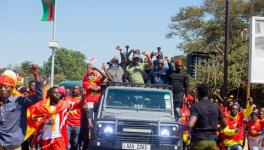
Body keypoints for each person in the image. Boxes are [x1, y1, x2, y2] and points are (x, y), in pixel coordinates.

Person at [0, 65, 43, 150]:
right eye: (0, 87)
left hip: (14, 146)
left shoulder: (20, 101)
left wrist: (36, 74)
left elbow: (39, 96)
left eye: (6, 87)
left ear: (12, 88)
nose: (2, 89)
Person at [184, 84, 226, 150]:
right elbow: (225, 124)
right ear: (207, 94)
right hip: (212, 142)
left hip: (198, 141)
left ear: (198, 94)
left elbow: (190, 124)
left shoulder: (196, 106)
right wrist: (219, 129)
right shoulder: (215, 107)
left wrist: (180, 129)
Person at [65, 85, 82, 150]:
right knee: (67, 143)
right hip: (67, 124)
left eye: (77, 89)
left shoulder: (81, 99)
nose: (75, 90)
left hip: (77, 124)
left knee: (75, 143)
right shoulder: (67, 98)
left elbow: (82, 104)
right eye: (74, 89)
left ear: (80, 91)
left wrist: (83, 96)